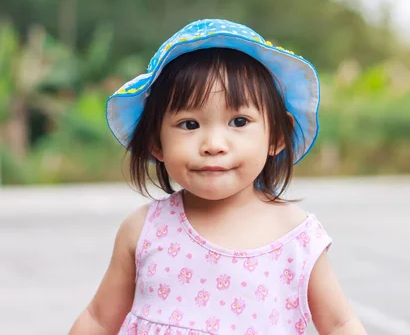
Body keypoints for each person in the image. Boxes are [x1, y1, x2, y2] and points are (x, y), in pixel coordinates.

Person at [69, 19, 366, 334]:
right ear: (156, 142)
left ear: (277, 135)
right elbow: (99, 319)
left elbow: (339, 324)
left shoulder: (295, 236)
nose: (213, 145)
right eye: (189, 124)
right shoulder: (144, 230)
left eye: (239, 121)